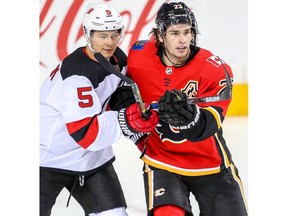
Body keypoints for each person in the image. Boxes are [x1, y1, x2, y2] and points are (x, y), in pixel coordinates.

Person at [125, 2, 248, 216]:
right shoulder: (139, 56)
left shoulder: (214, 68)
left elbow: (210, 124)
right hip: (162, 161)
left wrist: (190, 119)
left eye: (187, 32)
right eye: (174, 33)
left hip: (210, 164)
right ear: (160, 36)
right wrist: (130, 122)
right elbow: (122, 90)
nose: (183, 40)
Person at [39, 2, 158, 216]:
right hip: (46, 158)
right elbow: (87, 134)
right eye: (102, 36)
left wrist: (141, 133)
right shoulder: (77, 75)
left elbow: (118, 97)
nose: (109, 42)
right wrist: (129, 120)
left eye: (115, 35)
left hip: (90, 159)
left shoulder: (117, 59)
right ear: (88, 34)